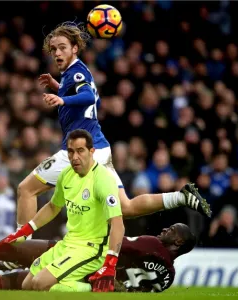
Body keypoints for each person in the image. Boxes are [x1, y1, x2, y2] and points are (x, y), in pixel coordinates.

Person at [16, 21, 211, 230]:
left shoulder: (76, 73)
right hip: (99, 148)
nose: (57, 52)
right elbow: (97, 101)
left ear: (74, 48)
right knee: (125, 207)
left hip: (80, 150)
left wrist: (63, 100)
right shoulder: (75, 74)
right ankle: (180, 197)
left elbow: (89, 96)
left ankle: (18, 248)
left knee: (26, 189)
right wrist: (60, 88)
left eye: (62, 47)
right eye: (54, 49)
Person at [0, 129, 125, 292]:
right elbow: (53, 206)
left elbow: (118, 223)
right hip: (68, 243)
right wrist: (26, 229)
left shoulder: (103, 180)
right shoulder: (66, 174)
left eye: (80, 151)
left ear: (92, 152)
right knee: (27, 285)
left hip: (92, 249)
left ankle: (94, 288)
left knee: (40, 284)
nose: (75, 157)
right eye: (71, 151)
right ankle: (84, 282)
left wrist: (110, 263)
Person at [0, 223, 196, 293]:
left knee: (13, 250)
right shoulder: (168, 277)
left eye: (171, 230)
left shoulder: (153, 244)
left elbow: (115, 241)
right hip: (93, 283)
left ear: (178, 242)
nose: (164, 229)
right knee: (28, 282)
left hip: (85, 256)